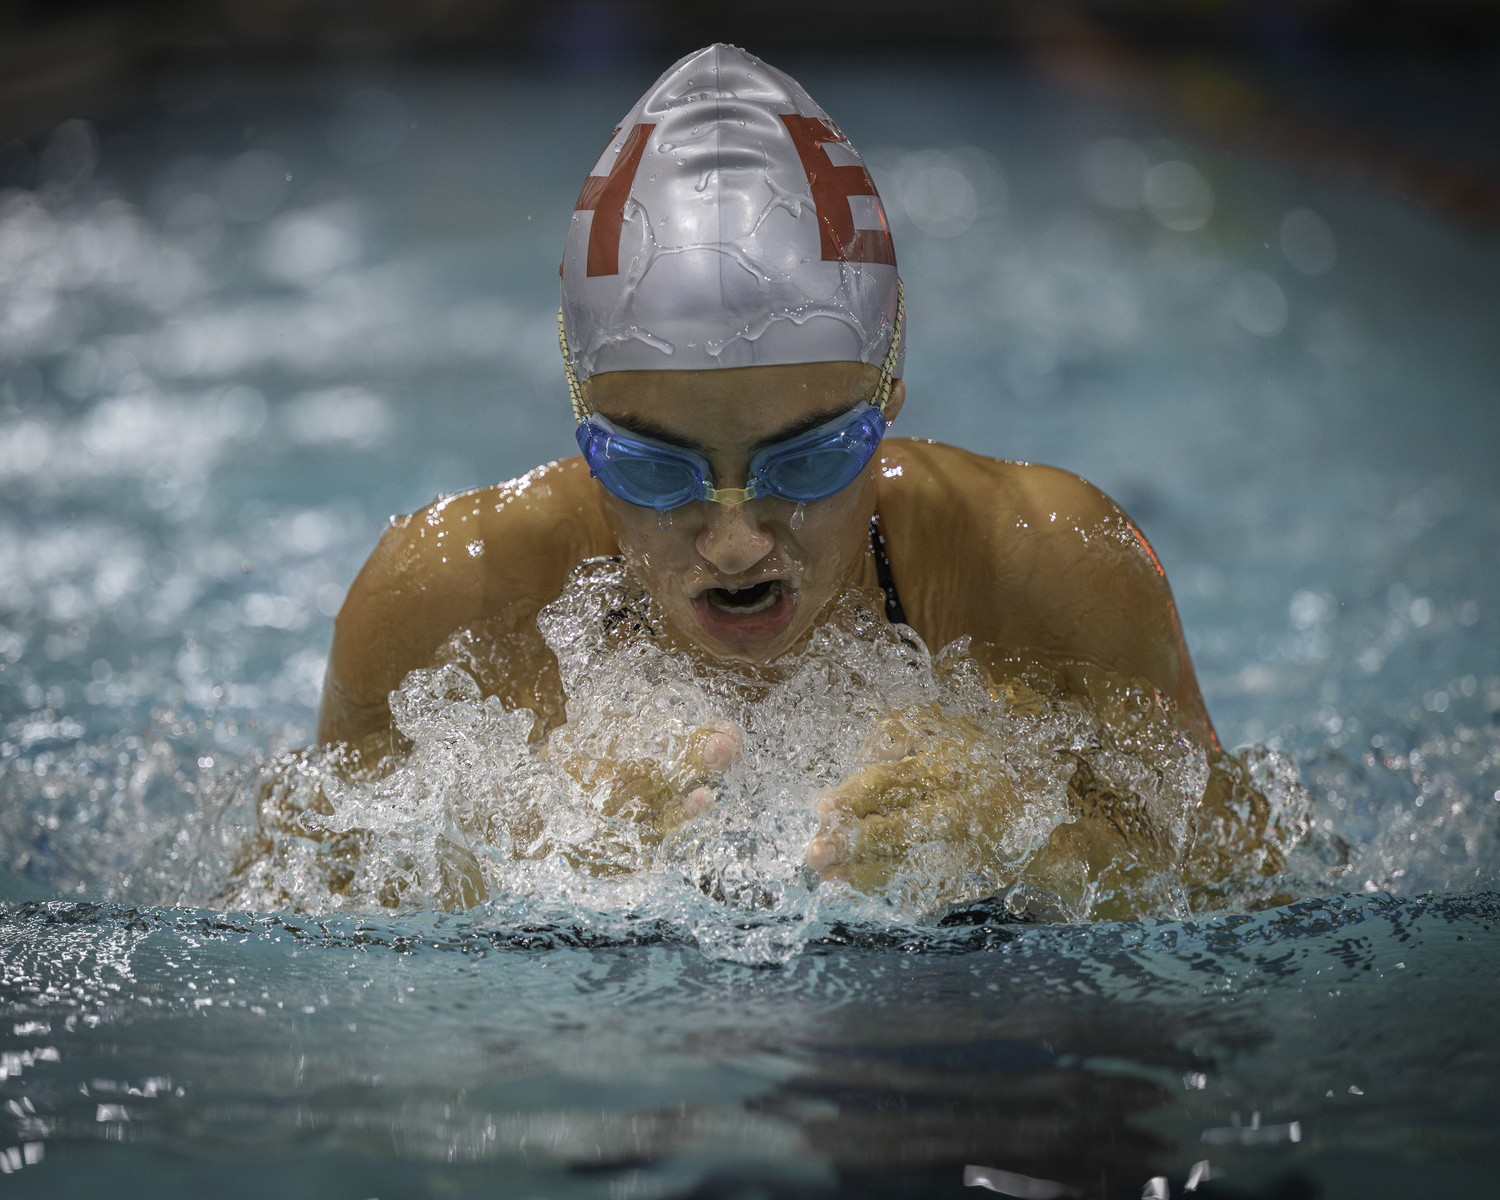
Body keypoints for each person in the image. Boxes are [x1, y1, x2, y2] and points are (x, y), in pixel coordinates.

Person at [317, 44, 1295, 915]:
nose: (736, 541)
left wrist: (1037, 836)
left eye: (809, 459)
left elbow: (1256, 884)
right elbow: (294, 897)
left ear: (890, 396)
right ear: (584, 425)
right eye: (656, 468)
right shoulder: (441, 599)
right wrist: (511, 851)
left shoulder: (1047, 567)